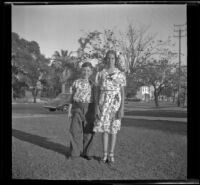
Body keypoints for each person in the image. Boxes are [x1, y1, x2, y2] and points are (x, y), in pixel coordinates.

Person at [93, 50, 126, 165]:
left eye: (112, 58)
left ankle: (111, 155)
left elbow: (122, 92)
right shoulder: (100, 73)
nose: (110, 60)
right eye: (108, 58)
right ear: (105, 59)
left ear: (115, 59)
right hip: (103, 103)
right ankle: (105, 154)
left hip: (115, 104)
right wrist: (97, 106)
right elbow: (96, 92)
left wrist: (121, 108)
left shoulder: (120, 74)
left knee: (113, 130)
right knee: (105, 129)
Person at [68, 62, 95, 160]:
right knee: (74, 130)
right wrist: (70, 109)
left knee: (88, 131)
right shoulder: (76, 82)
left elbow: (96, 98)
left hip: (89, 108)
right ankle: (74, 153)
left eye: (88, 70)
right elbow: (71, 96)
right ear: (81, 70)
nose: (86, 72)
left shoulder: (93, 84)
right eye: (84, 70)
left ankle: (87, 153)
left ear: (91, 72)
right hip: (77, 107)